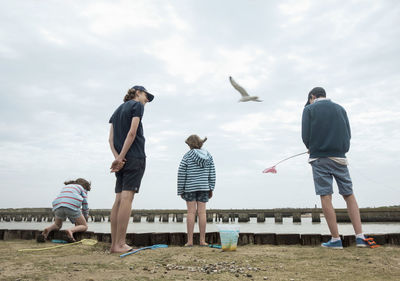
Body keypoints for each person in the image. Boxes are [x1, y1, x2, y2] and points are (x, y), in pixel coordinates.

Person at [302, 87, 368, 249]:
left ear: (312, 96)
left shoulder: (309, 109)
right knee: (349, 194)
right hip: (339, 157)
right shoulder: (340, 109)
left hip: (319, 158)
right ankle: (360, 237)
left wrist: (311, 147)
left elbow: (305, 135)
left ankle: (335, 239)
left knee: (326, 196)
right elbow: (348, 133)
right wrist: (342, 149)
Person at [108, 85, 154, 253]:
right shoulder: (137, 106)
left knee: (119, 199)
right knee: (127, 198)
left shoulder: (117, 110)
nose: (147, 100)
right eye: (146, 95)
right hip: (134, 157)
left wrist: (118, 157)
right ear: (137, 93)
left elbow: (110, 140)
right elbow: (132, 133)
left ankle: (114, 244)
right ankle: (120, 244)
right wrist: (121, 158)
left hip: (122, 159)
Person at [177, 135, 216, 247]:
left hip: (189, 187)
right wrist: (211, 187)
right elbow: (212, 173)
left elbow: (181, 173)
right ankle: (202, 241)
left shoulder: (187, 156)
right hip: (204, 187)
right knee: (202, 213)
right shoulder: (208, 156)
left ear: (190, 145)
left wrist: (181, 189)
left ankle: (190, 241)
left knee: (191, 212)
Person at [38, 178, 91, 242]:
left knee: (57, 225)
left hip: (58, 205)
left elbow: (66, 199)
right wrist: (85, 215)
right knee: (84, 226)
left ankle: (48, 230)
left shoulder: (67, 187)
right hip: (71, 205)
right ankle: (70, 231)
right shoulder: (82, 189)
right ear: (85, 186)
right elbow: (85, 203)